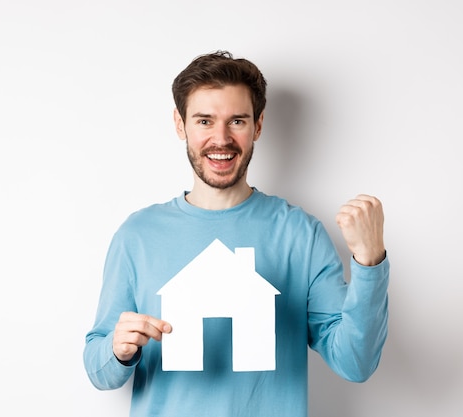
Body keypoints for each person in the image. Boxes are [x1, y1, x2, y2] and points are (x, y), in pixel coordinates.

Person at [83, 50, 389, 417]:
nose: (221, 138)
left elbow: (355, 363)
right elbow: (99, 370)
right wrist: (116, 349)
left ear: (258, 125)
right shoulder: (138, 235)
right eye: (204, 121)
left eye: (237, 121)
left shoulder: (300, 235)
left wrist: (369, 264)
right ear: (180, 125)